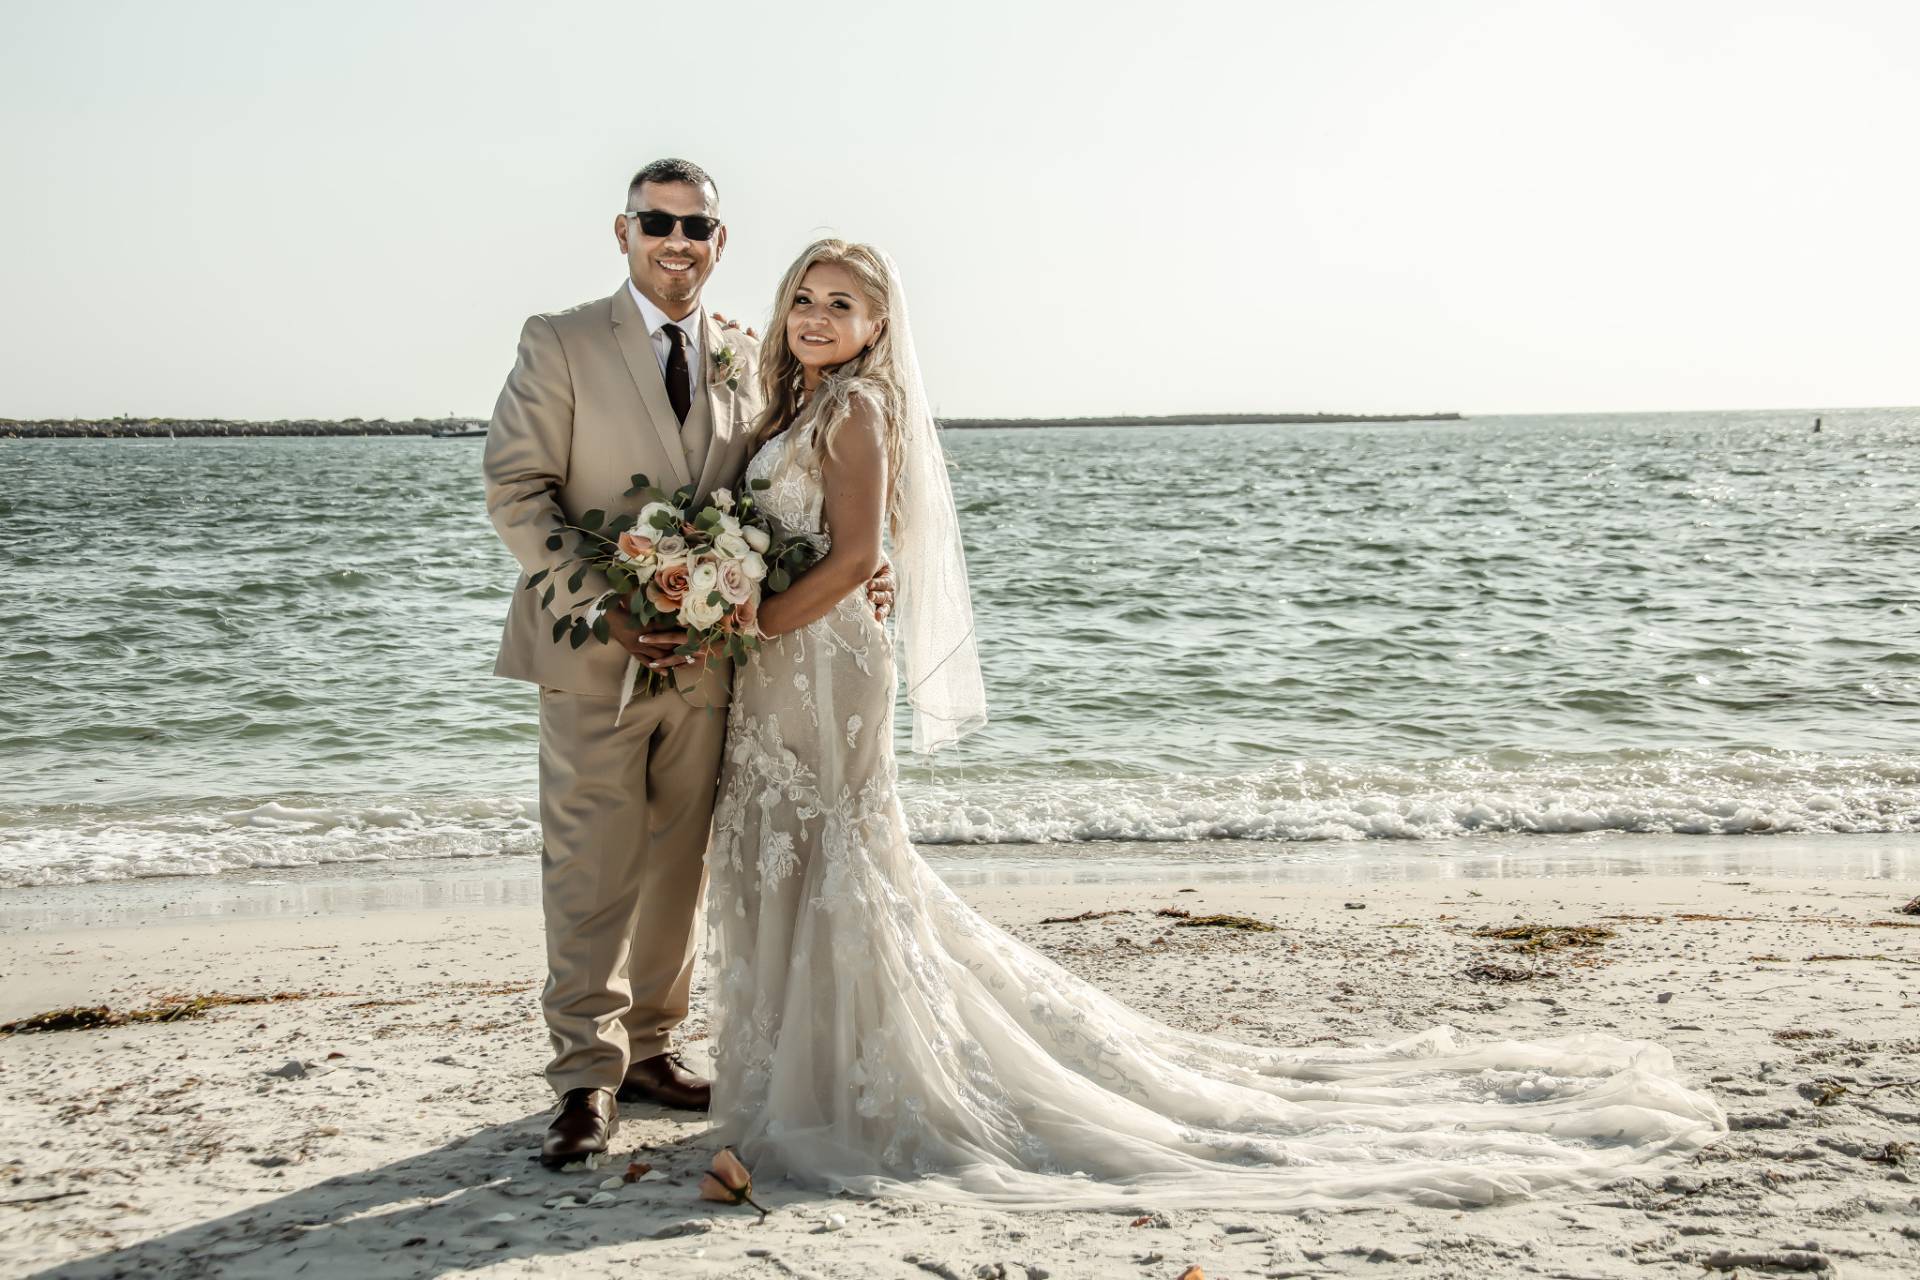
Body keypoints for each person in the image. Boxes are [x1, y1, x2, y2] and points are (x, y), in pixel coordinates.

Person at [701, 239, 1728, 1209]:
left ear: (879, 323)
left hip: (823, 658)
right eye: (805, 297)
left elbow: (849, 558)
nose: (817, 316)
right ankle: (802, 1072)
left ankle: (847, 1087)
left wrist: (752, 616)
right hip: (787, 660)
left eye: (843, 303)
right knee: (792, 853)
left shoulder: (861, 413)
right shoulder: (796, 409)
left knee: (840, 849)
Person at [481, 160, 891, 1170]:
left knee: (679, 864)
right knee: (589, 867)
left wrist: (869, 575)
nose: (678, 240)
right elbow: (517, 491)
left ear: (720, 241)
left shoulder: (748, 354)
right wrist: (607, 609)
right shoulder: (561, 339)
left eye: (696, 226)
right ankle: (583, 1072)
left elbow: (800, 496)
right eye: (657, 222)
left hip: (712, 665)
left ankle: (654, 1048)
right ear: (621, 231)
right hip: (593, 658)